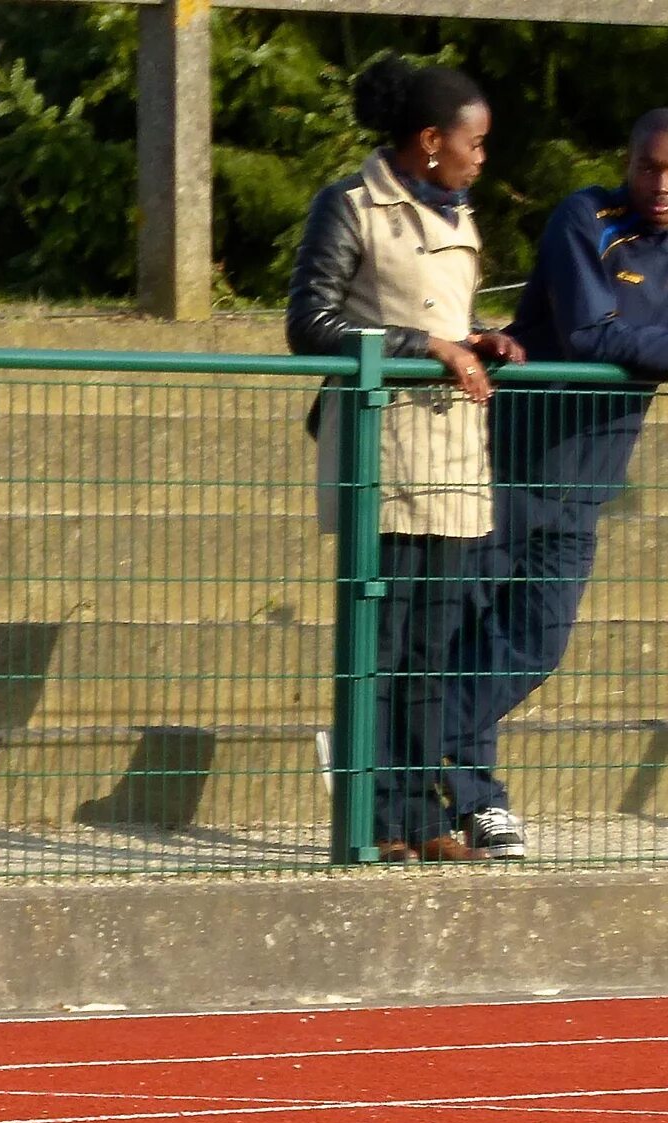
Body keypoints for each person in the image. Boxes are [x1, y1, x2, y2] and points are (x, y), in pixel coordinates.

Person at [288, 58, 524, 864]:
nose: (481, 156)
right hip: (381, 464)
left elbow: (443, 311)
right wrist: (420, 346)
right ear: (431, 141)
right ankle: (374, 819)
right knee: (379, 648)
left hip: (453, 458)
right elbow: (310, 325)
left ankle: (426, 819)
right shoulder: (351, 205)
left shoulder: (460, 213)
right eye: (475, 142)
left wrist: (479, 337)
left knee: (435, 649)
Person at [441, 109, 668, 853]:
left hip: (589, 482)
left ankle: (398, 741)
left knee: (535, 644)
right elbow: (591, 334)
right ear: (627, 161)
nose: (659, 185)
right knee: (467, 625)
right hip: (512, 461)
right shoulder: (586, 218)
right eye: (648, 167)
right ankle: (475, 800)